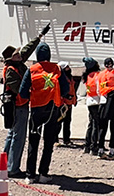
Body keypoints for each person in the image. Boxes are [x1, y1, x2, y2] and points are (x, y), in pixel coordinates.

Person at [0, 23, 51, 178]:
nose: (20, 55)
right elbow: (19, 90)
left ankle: (6, 164)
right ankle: (13, 168)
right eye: (17, 54)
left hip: (18, 107)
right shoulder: (11, 71)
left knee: (12, 135)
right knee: (18, 137)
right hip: (18, 107)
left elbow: (27, 49)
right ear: (11, 58)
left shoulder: (17, 64)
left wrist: (40, 36)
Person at [18, 44, 69, 183]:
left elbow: (22, 92)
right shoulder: (57, 69)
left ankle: (30, 175)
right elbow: (66, 89)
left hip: (36, 109)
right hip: (53, 109)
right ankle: (43, 173)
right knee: (48, 142)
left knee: (33, 142)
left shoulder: (32, 70)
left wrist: (34, 95)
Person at [95, 57, 114, 157]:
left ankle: (101, 150)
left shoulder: (100, 75)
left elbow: (98, 90)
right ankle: (111, 151)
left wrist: (103, 97)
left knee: (102, 126)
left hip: (103, 102)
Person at [80, 57, 103, 155]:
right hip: (97, 101)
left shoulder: (87, 76)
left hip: (89, 101)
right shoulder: (98, 75)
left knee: (91, 124)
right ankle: (94, 146)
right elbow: (100, 89)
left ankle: (87, 145)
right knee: (96, 125)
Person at [58, 63, 77, 146]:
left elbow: (73, 89)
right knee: (59, 122)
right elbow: (59, 90)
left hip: (69, 103)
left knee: (67, 122)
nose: (69, 68)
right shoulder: (60, 78)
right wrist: (66, 96)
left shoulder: (70, 77)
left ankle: (66, 139)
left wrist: (74, 100)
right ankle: (55, 139)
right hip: (62, 103)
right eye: (66, 67)